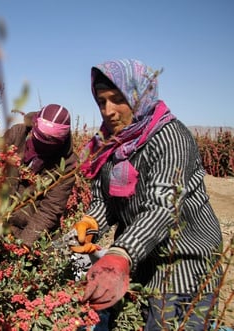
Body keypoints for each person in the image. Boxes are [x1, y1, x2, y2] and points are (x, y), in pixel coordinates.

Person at [69, 59, 223, 330]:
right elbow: (105, 201)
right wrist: (92, 222)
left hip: (184, 258)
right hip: (141, 259)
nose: (108, 111)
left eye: (117, 100)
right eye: (102, 102)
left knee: (170, 322)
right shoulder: (109, 144)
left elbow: (163, 206)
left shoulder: (170, 137)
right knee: (131, 321)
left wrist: (121, 253)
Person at [0, 104, 78, 248]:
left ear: (61, 142)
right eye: (38, 140)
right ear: (34, 126)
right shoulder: (17, 134)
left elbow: (49, 211)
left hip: (33, 230)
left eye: (49, 144)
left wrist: (22, 243)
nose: (42, 147)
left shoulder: (67, 165)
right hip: (0, 220)